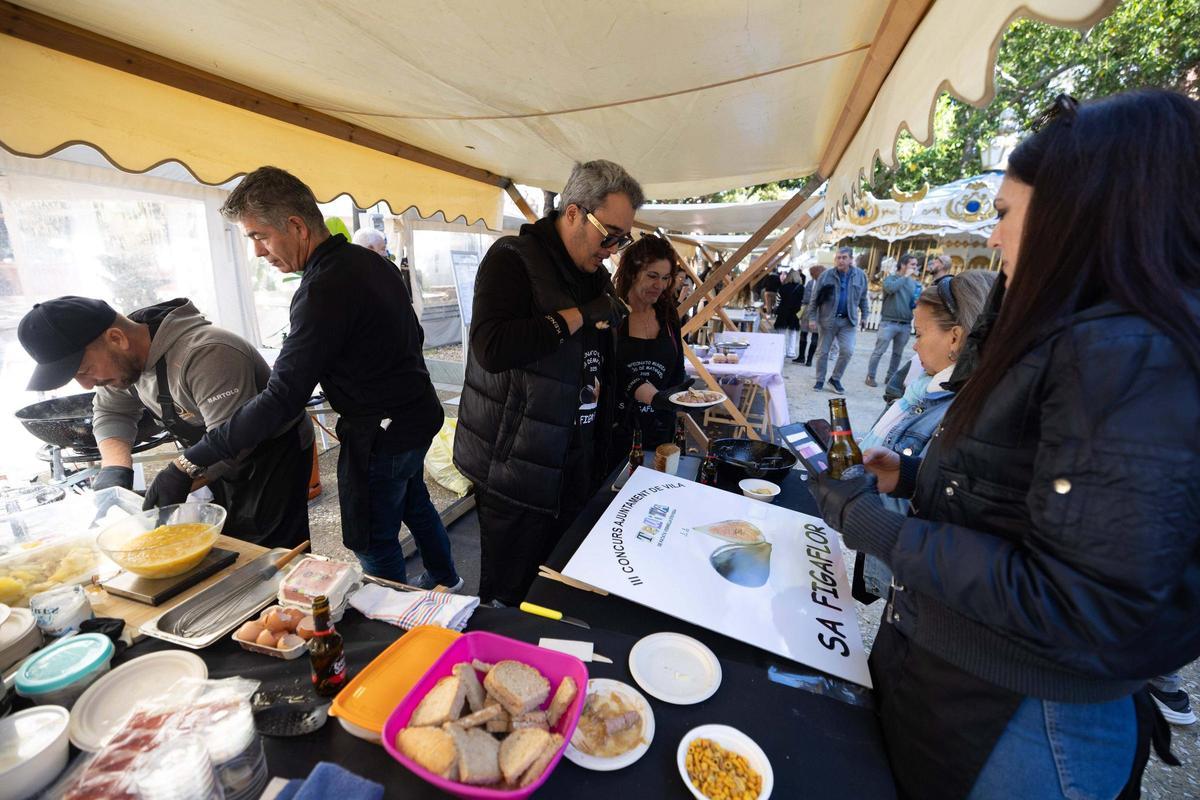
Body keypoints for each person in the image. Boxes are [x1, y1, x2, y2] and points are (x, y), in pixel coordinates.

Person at [813, 91, 1200, 799]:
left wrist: (878, 531)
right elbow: (1036, 497)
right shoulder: (1090, 337)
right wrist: (914, 477)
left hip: (1021, 724)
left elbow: (1082, 600)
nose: (992, 239)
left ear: (1075, 214)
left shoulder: (1129, 353)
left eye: (1003, 215)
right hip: (974, 694)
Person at [146, 166, 462, 591]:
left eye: (259, 236)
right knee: (412, 501)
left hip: (382, 431)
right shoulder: (371, 262)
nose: (258, 252)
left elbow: (282, 397)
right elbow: (412, 335)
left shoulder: (321, 290)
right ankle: (447, 580)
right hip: (418, 412)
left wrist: (191, 459)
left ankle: (396, 620)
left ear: (295, 226)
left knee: (370, 536)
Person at [453, 159, 644, 606]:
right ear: (574, 212)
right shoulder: (511, 259)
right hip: (516, 467)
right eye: (610, 233)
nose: (614, 248)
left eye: (623, 237)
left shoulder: (591, 272)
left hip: (572, 462)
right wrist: (580, 316)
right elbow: (492, 347)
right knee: (509, 596)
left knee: (556, 593)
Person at [18, 296, 313, 549]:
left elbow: (236, 440)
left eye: (85, 370)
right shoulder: (119, 360)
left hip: (270, 457)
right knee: (224, 543)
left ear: (116, 338)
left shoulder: (207, 353)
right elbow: (112, 413)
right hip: (209, 455)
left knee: (269, 558)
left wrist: (181, 476)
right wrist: (115, 472)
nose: (85, 385)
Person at [852, 270, 996, 602]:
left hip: (908, 560)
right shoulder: (923, 388)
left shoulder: (960, 409)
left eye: (919, 333)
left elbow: (941, 505)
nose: (913, 344)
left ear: (956, 337)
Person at [610, 235, 693, 465]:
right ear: (632, 273)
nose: (660, 285)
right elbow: (606, 374)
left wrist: (685, 398)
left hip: (661, 430)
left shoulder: (667, 315)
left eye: (666, 278)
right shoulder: (612, 314)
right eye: (652, 276)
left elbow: (677, 370)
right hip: (617, 432)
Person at [806, 246, 869, 393]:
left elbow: (863, 298)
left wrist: (865, 315)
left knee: (847, 351)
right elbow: (814, 298)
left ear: (851, 259)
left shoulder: (860, 276)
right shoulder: (826, 276)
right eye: (838, 258)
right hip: (828, 320)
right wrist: (812, 318)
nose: (840, 260)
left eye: (844, 257)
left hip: (848, 321)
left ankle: (835, 379)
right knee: (823, 352)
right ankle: (820, 379)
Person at [865, 253, 920, 387]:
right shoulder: (890, 279)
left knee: (897, 354)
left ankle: (890, 378)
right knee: (879, 351)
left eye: (915, 265)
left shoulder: (914, 284)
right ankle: (870, 376)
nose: (915, 267)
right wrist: (905, 276)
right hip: (888, 322)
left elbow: (913, 302)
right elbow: (890, 289)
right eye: (912, 264)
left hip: (905, 324)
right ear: (903, 265)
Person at [795, 264, 825, 364]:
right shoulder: (826, 283)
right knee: (815, 336)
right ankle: (809, 360)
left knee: (804, 334)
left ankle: (801, 357)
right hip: (821, 312)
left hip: (809, 310)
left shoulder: (810, 283)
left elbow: (806, 298)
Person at [773, 269, 805, 359]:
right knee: (793, 332)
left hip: (783, 311)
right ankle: (791, 352)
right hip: (795, 312)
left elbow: (778, 301)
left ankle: (781, 351)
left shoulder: (783, 287)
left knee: (781, 332)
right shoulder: (801, 288)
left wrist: (776, 309)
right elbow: (803, 302)